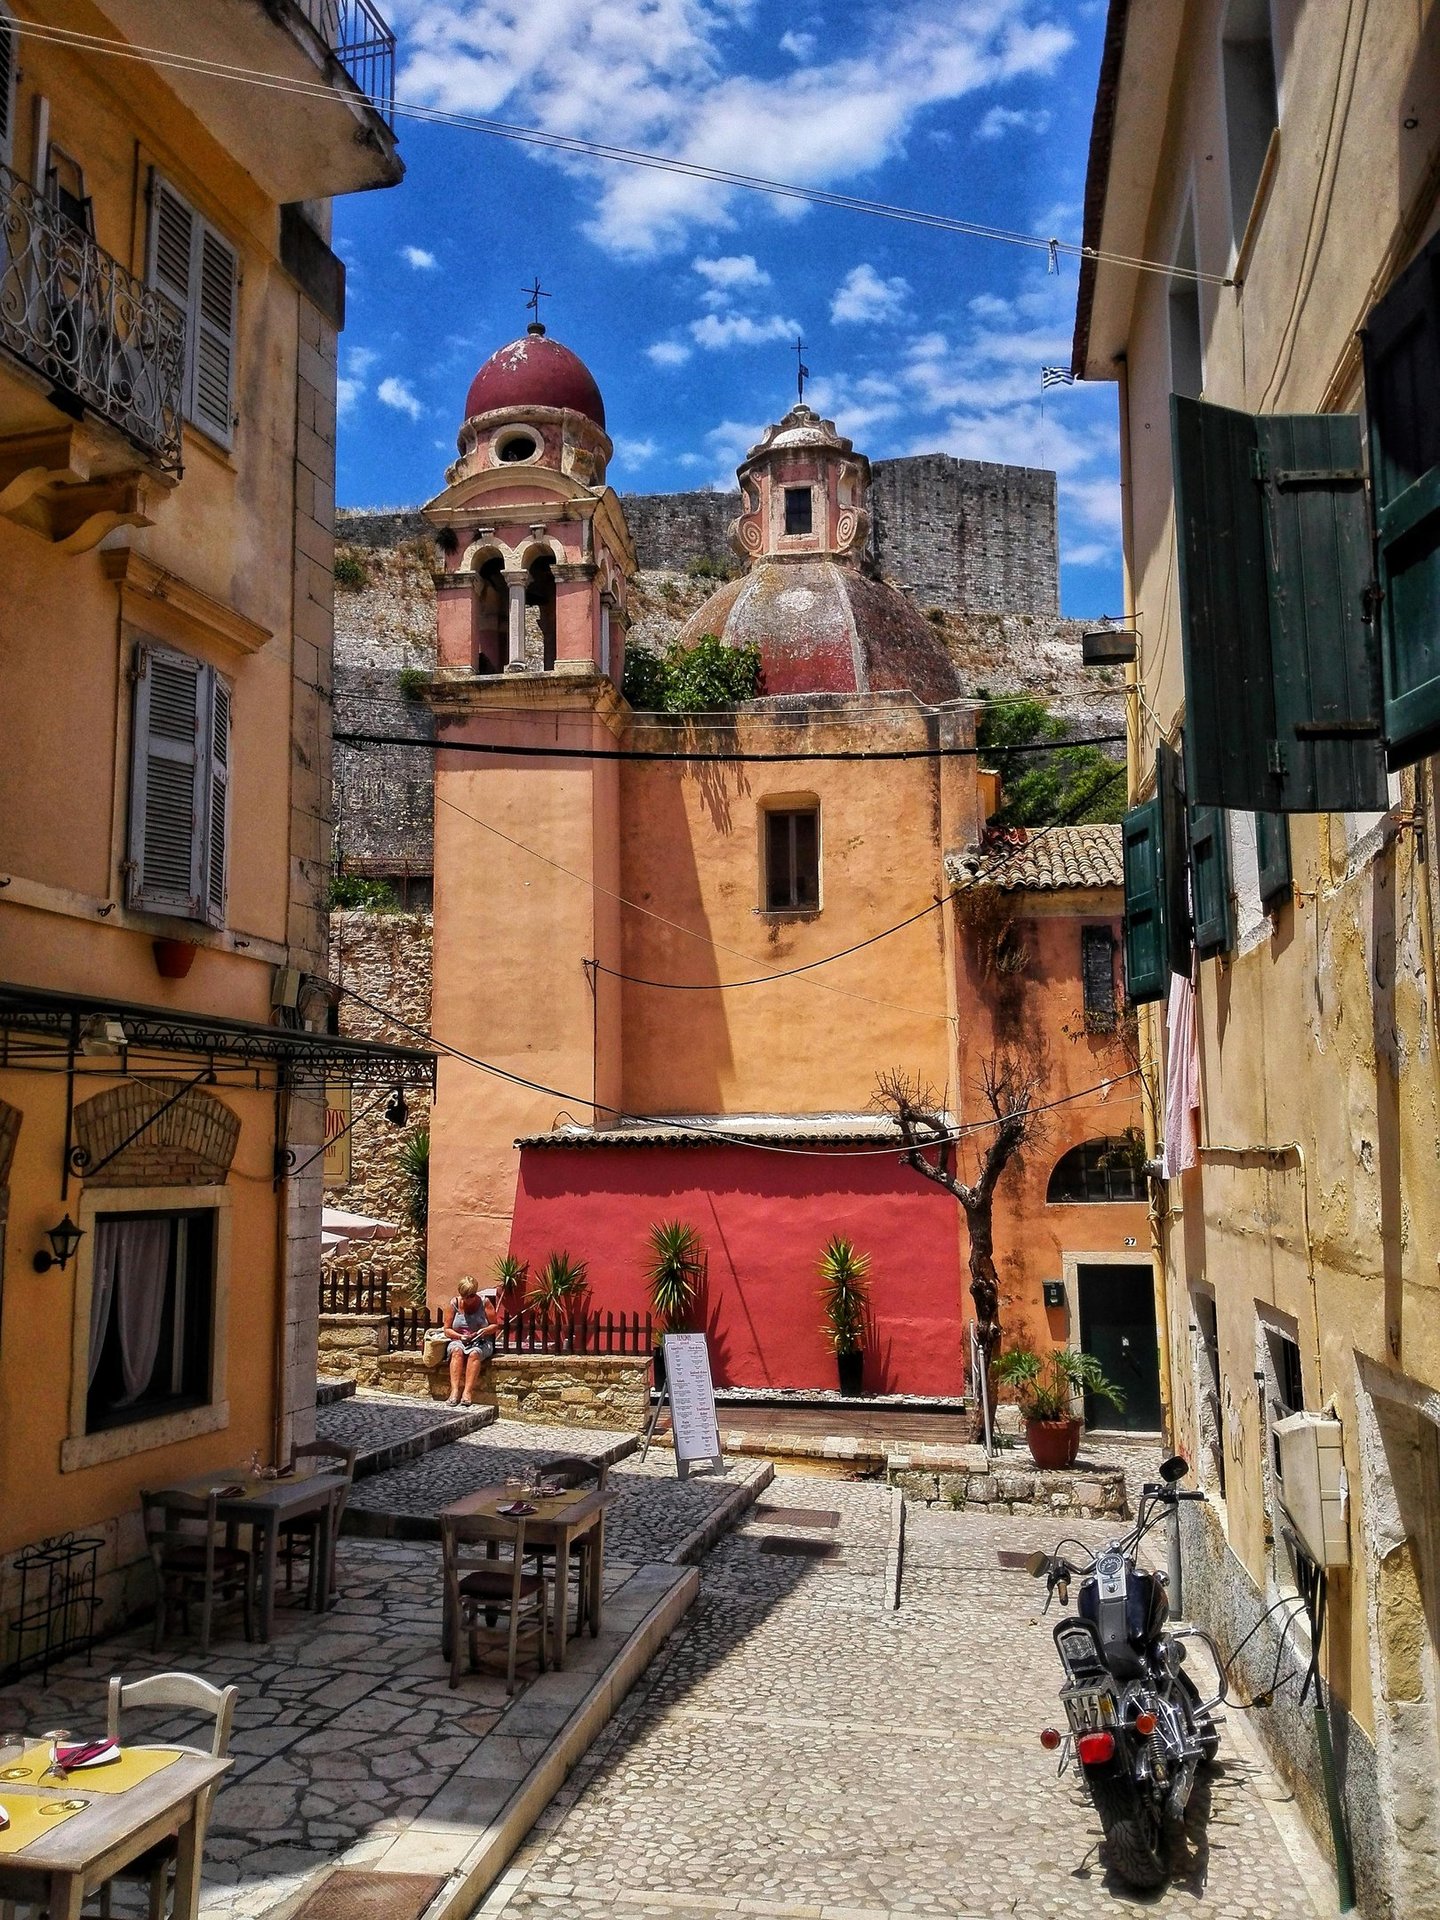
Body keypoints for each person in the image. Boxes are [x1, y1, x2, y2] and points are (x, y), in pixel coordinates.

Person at [445, 1275, 496, 1406]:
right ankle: (454, 1391)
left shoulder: (485, 1303)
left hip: (481, 1340)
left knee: (474, 1353)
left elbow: (495, 1325)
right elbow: (447, 1329)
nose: (468, 1299)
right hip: (459, 1339)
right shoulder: (454, 1304)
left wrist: (484, 1330)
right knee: (456, 1351)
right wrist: (460, 1336)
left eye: (471, 1295)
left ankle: (467, 1392)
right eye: (465, 1296)